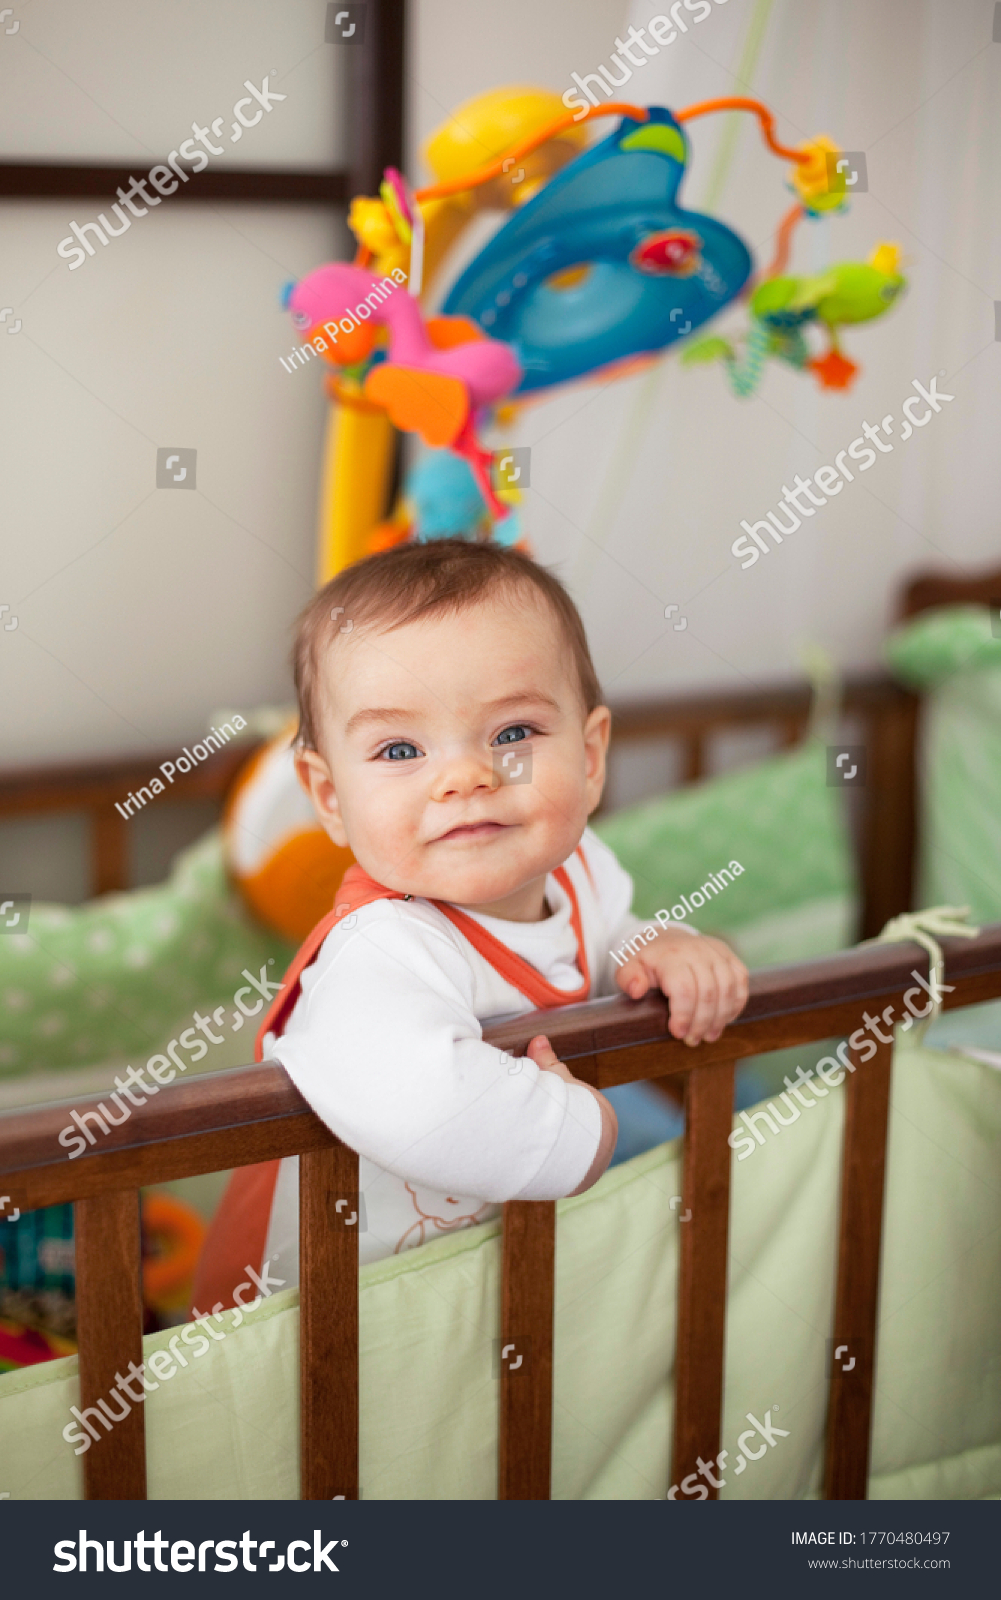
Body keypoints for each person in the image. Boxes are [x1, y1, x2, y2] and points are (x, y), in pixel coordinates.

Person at [196, 539, 748, 1296]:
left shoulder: (580, 868)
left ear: (588, 758)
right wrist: (578, 1133)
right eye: (398, 748)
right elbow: (414, 1095)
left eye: (512, 734)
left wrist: (663, 946)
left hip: (454, 1292)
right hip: (304, 1307)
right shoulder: (381, 950)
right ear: (329, 798)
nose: (465, 776)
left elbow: (608, 929)